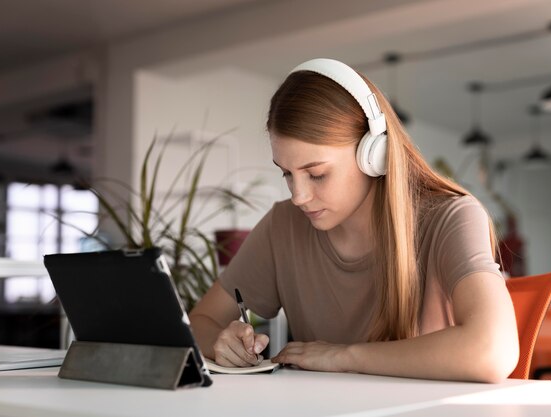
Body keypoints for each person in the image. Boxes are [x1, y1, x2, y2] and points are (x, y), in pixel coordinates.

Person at [189, 58, 519, 383]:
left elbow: (493, 350)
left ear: (374, 154)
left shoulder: (450, 217)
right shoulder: (283, 225)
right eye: (287, 173)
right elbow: (200, 321)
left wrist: (346, 356)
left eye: (316, 174)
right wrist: (222, 343)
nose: (299, 195)